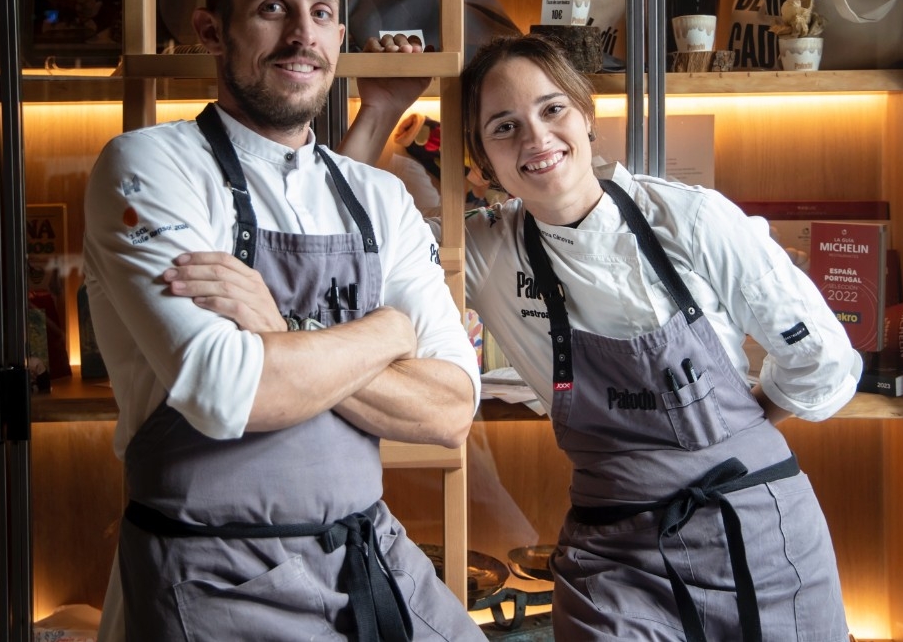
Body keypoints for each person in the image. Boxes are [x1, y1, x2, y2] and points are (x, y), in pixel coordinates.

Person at [189, 32, 861, 640]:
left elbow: (823, 359)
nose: (535, 137)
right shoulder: (489, 251)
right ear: (483, 161)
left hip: (755, 535)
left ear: (586, 114)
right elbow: (340, 237)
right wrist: (384, 106)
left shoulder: (688, 218)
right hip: (614, 553)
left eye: (552, 110)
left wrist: (743, 431)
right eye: (504, 127)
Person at [82, 0, 483, 642]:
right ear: (212, 30)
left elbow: (450, 407)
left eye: (323, 12)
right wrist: (391, 329)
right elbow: (228, 388)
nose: (305, 34)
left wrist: (282, 332)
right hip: (213, 574)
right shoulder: (147, 167)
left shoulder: (376, 195)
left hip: (368, 558)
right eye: (274, 8)